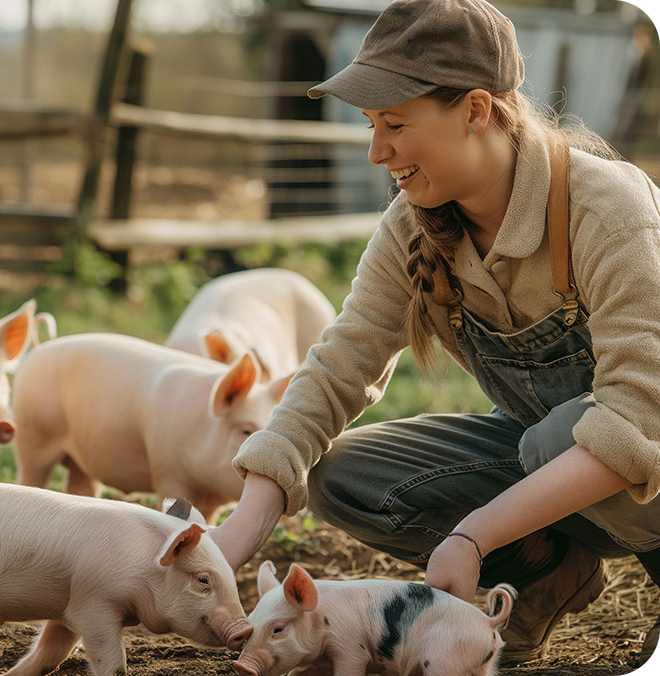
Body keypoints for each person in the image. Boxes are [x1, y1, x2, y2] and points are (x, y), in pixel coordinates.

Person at [210, 0, 660, 667]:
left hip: (640, 455)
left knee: (562, 433)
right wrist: (239, 531)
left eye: (394, 123)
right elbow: (340, 365)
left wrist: (473, 535)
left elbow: (639, 413)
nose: (375, 150)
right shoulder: (412, 224)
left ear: (475, 110)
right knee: (343, 476)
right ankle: (542, 570)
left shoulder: (604, 208)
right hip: (547, 459)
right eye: (369, 125)